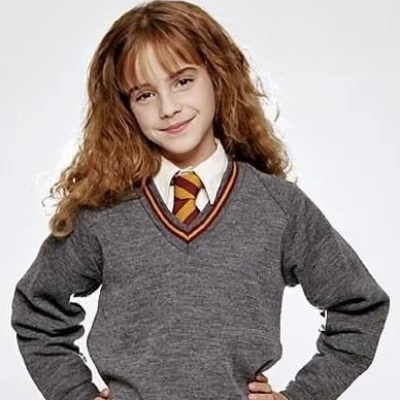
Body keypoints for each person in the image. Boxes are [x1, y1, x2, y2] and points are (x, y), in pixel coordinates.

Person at [10, 1, 390, 400]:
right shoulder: (104, 212)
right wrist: (76, 395)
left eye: (183, 81)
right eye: (144, 94)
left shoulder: (278, 208)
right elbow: (37, 310)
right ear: (125, 109)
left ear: (217, 75)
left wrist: (302, 396)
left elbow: (360, 307)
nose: (168, 108)